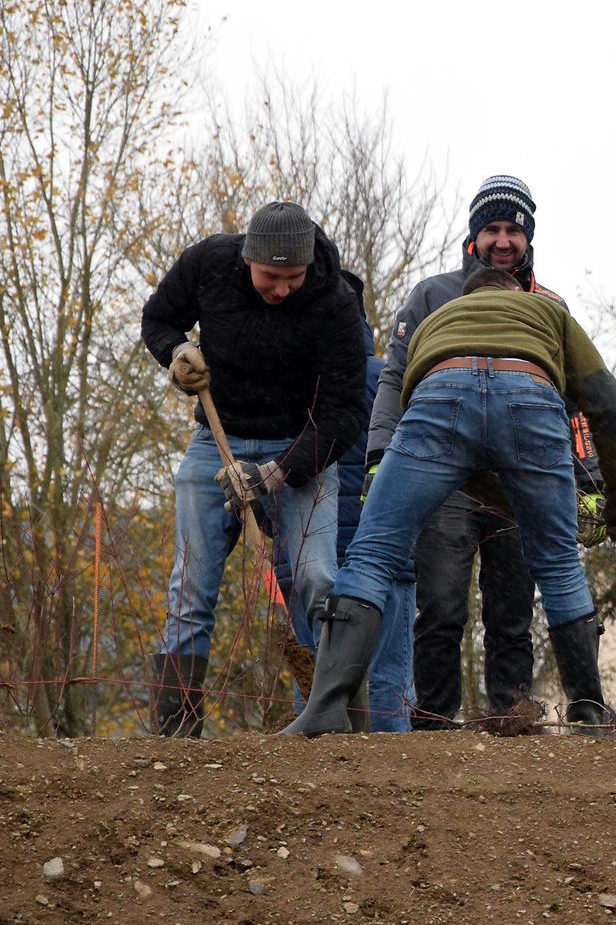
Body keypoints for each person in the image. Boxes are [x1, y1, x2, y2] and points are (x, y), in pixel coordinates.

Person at [283, 268, 616, 737]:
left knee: (372, 553)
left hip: (439, 393)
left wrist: (388, 462)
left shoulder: (438, 316)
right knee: (557, 562)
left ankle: (327, 705)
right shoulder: (547, 311)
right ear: (515, 294)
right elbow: (608, 406)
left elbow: (413, 400)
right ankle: (590, 712)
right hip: (529, 391)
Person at [366, 175, 607, 731]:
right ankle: (432, 721)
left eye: (513, 231)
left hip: (517, 483)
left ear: (529, 240)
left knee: (512, 614)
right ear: (473, 238)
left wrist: (590, 483)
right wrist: (380, 453)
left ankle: (512, 719)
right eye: (492, 230)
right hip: (442, 481)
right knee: (443, 607)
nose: (503, 240)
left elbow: (575, 402)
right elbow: (393, 378)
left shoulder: (551, 306)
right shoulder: (431, 294)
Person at [141, 200, 369, 737]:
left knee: (317, 577)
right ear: (248, 259)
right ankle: (177, 734)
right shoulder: (209, 264)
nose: (282, 288)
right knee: (190, 586)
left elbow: (345, 414)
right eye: (271, 276)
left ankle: (342, 724)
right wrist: (175, 352)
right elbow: (159, 318)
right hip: (215, 441)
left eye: (293, 277)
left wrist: (277, 473)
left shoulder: (334, 303)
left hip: (301, 445)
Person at [262, 277, 416, 732]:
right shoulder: (393, 380)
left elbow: (264, 468)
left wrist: (272, 530)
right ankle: (398, 793)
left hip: (307, 559)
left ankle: (317, 790)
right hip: (388, 562)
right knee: (389, 689)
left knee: (314, 695)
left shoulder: (286, 384)